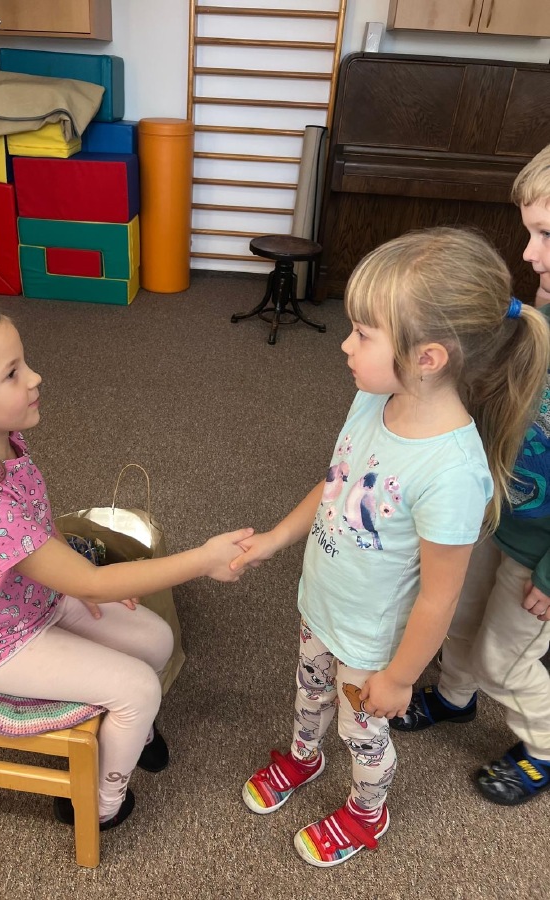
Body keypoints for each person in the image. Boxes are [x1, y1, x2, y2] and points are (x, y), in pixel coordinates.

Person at [230, 227, 550, 868]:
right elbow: (336, 483)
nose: (345, 345)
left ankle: (366, 811)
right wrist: (276, 538)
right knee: (308, 692)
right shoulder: (373, 396)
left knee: (364, 731)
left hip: (374, 642)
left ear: (427, 357)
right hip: (322, 602)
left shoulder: (453, 472)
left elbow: (440, 597)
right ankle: (304, 755)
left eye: (362, 333)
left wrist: (401, 678)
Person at [0, 296, 253, 831]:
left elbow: (42, 521)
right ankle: (99, 801)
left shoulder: (3, 442)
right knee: (139, 687)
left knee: (156, 640)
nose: (35, 377)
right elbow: (91, 581)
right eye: (12, 373)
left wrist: (81, 580)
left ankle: (133, 730)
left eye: (24, 362)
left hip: (37, 602)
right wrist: (200, 560)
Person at [390, 147, 550, 808]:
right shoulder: (540, 312)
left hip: (540, 550)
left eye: (547, 236)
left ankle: (543, 745)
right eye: (529, 232)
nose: (530, 254)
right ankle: (455, 699)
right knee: (456, 613)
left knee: (502, 658)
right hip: (495, 512)